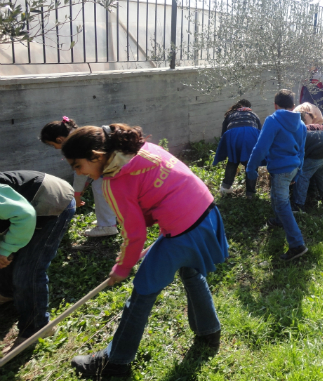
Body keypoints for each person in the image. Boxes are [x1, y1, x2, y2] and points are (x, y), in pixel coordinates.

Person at [63, 124, 228, 377]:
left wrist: (122, 267)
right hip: (206, 210)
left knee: (142, 292)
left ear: (96, 156)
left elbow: (135, 233)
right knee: (191, 272)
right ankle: (209, 333)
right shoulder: (142, 150)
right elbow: (156, 193)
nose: (80, 173)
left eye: (78, 166)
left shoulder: (114, 182)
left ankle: (114, 363)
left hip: (183, 230)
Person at [0, 171, 76, 351]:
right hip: (19, 212)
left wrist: (5, 250)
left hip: (50, 202)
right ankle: (6, 291)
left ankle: (37, 328)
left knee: (28, 270)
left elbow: (25, 215)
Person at [246, 90, 308, 262]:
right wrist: (299, 170)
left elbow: (260, 148)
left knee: (281, 203)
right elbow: (302, 151)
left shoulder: (273, 120)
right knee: (277, 195)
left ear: (275, 105)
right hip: (293, 167)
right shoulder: (302, 125)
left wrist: (251, 168)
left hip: (281, 170)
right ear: (294, 106)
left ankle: (297, 244)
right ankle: (280, 220)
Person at [40, 117, 118, 237]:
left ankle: (107, 226)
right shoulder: (82, 135)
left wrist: (76, 194)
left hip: (115, 165)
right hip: (115, 163)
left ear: (60, 139)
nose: (55, 148)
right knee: (105, 190)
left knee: (100, 188)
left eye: (53, 144)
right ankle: (108, 219)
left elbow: (80, 173)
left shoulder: (76, 144)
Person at [291, 106, 323, 211]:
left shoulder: (298, 132)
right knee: (322, 173)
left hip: (321, 146)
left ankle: (298, 205)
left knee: (302, 174)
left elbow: (297, 157)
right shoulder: (312, 126)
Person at [212, 100, 262, 199]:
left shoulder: (230, 115)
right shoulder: (253, 115)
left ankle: (225, 188)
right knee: (251, 164)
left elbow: (224, 134)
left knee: (232, 161)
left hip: (233, 135)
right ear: (249, 107)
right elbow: (259, 132)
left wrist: (228, 150)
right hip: (251, 135)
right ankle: (250, 194)